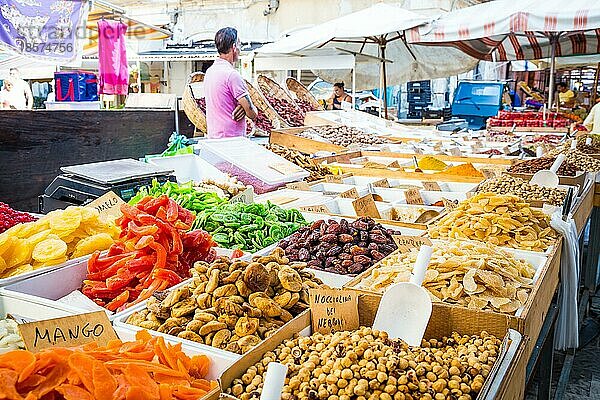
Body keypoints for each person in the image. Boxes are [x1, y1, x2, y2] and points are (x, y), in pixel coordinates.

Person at [204, 27, 257, 139]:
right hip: (231, 140)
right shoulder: (232, 75)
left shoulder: (210, 72)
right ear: (234, 47)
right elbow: (252, 113)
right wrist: (245, 108)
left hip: (214, 137)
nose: (240, 49)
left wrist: (242, 107)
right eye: (239, 45)